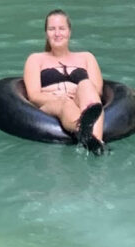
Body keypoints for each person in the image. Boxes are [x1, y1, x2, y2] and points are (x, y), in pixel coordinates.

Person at [22, 10, 112, 153]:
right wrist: (59, 97)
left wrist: (78, 91)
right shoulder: (35, 59)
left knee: (86, 84)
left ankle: (95, 142)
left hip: (80, 101)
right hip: (51, 105)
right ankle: (83, 131)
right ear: (46, 33)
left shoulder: (86, 57)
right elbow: (33, 95)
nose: (57, 33)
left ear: (69, 32)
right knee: (65, 103)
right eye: (52, 29)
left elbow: (98, 91)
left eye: (61, 28)